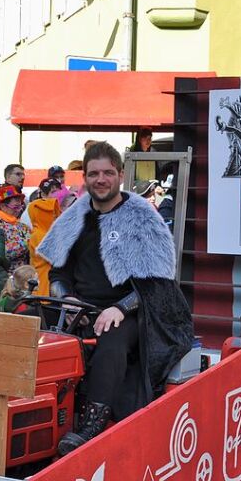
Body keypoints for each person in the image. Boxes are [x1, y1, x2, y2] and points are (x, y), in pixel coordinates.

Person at [38, 141, 193, 454]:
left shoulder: (143, 217)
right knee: (31, 326)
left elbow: (157, 281)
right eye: (94, 173)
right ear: (85, 178)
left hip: (139, 311)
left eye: (108, 172)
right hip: (81, 308)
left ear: (120, 175)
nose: (101, 179)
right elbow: (58, 275)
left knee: (112, 337)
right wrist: (66, 298)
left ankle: (92, 424)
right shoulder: (75, 219)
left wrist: (121, 308)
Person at [26, 180, 61, 295]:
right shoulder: (39, 235)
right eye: (51, 213)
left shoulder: (47, 233)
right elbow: (56, 257)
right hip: (43, 286)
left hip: (49, 283)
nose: (55, 215)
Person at [0, 183, 31, 271]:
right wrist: (28, 243)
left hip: (24, 274)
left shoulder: (22, 226)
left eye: (20, 206)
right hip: (5, 274)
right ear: (3, 206)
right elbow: (2, 252)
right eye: (15, 207)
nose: (19, 210)